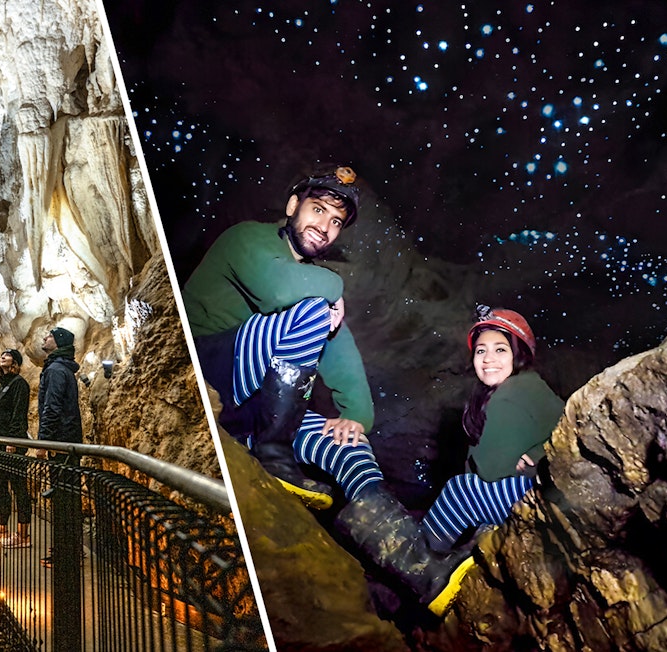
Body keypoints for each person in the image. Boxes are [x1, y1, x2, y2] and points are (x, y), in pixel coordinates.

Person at [333, 305, 564, 614]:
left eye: (499, 349)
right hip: (538, 492)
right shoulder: (527, 387)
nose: (487, 359)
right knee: (466, 499)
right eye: (481, 351)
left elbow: (488, 468)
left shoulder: (513, 394)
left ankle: (413, 573)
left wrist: (536, 455)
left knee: (461, 490)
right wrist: (537, 452)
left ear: (519, 353)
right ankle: (414, 575)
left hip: (541, 498)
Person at [184, 164, 378, 509]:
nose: (325, 227)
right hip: (206, 369)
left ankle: (405, 551)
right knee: (314, 310)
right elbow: (278, 290)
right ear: (292, 207)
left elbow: (340, 351)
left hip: (257, 407)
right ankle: (273, 456)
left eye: (336, 221)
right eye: (317, 210)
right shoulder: (246, 238)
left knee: (353, 448)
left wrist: (358, 418)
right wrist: (335, 288)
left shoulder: (314, 283)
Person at [37, 327, 83, 571]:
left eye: (50, 336)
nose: (45, 338)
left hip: (61, 443)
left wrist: (44, 441)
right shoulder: (62, 368)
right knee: (69, 498)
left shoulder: (55, 370)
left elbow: (52, 407)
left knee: (63, 500)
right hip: (68, 441)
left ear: (59, 342)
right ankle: (70, 549)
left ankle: (66, 553)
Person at [0, 348, 33, 548]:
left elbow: (18, 414)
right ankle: (2, 529)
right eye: (2, 354)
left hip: (12, 445)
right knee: (0, 486)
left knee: (18, 487)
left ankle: (23, 534)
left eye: (8, 354)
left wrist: (12, 440)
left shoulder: (19, 384)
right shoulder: (1, 387)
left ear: (15, 361)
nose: (3, 355)